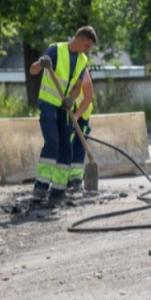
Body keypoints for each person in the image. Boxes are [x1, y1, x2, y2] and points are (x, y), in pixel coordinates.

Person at [28, 26, 97, 204]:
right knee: (53, 141)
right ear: (79, 39)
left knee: (66, 146)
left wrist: (71, 99)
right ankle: (41, 187)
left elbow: (77, 86)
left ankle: (58, 190)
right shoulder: (56, 50)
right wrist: (41, 64)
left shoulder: (82, 59)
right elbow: (33, 70)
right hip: (48, 103)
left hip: (63, 107)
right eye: (87, 46)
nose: (87, 50)